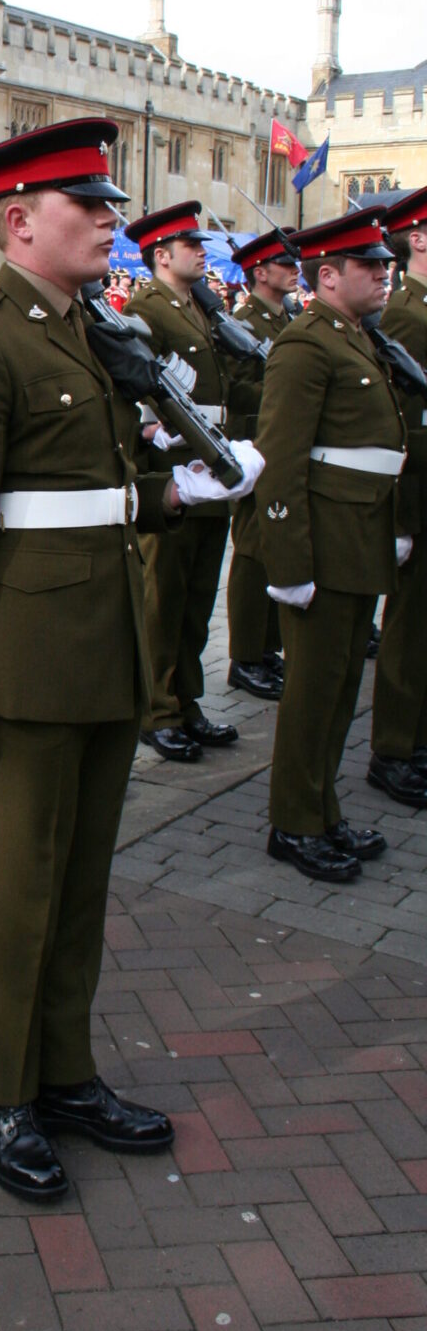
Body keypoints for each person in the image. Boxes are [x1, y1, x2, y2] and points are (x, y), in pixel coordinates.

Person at [0, 119, 262, 1201]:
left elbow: (98, 491)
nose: (112, 220)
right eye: (90, 206)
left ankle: (64, 1070)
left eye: (109, 205)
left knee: (80, 882)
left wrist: (176, 491)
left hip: (106, 644)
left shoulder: (88, 330)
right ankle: (2, 1091)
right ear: (19, 220)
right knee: (17, 889)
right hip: (24, 664)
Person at [257, 208, 406, 883]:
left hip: (358, 538)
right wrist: (289, 563)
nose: (384, 273)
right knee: (312, 693)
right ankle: (293, 821)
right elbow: (280, 460)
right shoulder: (306, 344)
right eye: (370, 266)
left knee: (343, 687)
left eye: (384, 264)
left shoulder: (355, 336)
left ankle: (323, 807)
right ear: (329, 275)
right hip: (321, 545)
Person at [125, 203, 256, 762]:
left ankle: (187, 697)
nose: (203, 253)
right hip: (172, 467)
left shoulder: (201, 308)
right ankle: (157, 708)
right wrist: (156, 433)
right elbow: (139, 391)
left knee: (198, 596)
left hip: (210, 463)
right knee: (165, 596)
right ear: (162, 255)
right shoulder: (145, 308)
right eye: (191, 246)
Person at [369, 187, 427, 808]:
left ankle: (416, 738)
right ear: (418, 238)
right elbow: (404, 429)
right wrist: (404, 518)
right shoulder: (408, 315)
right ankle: (394, 747)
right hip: (419, 493)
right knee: (409, 632)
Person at [225, 231, 300, 700]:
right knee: (252, 551)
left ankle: (268, 647)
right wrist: (284, 390)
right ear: (260, 272)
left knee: (277, 543)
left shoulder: (290, 316)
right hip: (256, 445)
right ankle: (245, 655)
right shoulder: (244, 321)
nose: (294, 268)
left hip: (283, 447)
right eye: (283, 262)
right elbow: (235, 389)